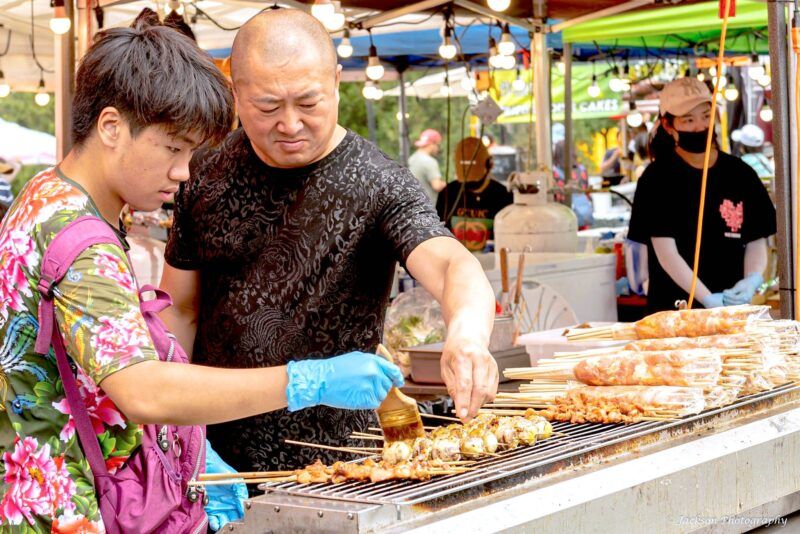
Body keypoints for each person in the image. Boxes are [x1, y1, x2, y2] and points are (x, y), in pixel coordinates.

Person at [0, 15, 404, 531]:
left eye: (192, 153)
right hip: (76, 510)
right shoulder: (83, 243)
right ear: (110, 127)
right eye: (173, 148)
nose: (184, 172)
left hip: (36, 491)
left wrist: (187, 451)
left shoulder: (43, 196)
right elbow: (142, 391)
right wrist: (309, 380)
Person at [160, 9, 498, 473]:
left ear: (337, 81)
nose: (291, 124)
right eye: (267, 107)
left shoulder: (380, 183)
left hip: (343, 462)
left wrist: (467, 335)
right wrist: (176, 432)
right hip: (217, 451)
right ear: (234, 92)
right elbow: (179, 309)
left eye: (308, 102)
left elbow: (452, 265)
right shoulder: (201, 176)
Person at [628, 77, 776, 312]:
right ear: (668, 126)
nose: (700, 126)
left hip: (732, 309)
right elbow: (666, 252)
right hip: (675, 311)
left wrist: (751, 280)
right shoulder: (657, 179)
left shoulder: (740, 174)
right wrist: (707, 298)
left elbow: (757, 239)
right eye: (688, 120)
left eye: (706, 116)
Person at [435, 137, 513, 251]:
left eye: (475, 180)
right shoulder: (448, 193)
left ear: (490, 165)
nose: (469, 184)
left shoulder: (503, 195)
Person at [408, 128, 446, 200]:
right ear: (432, 144)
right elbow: (437, 186)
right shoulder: (430, 162)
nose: (438, 148)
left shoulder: (411, 159)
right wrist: (445, 184)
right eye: (438, 145)